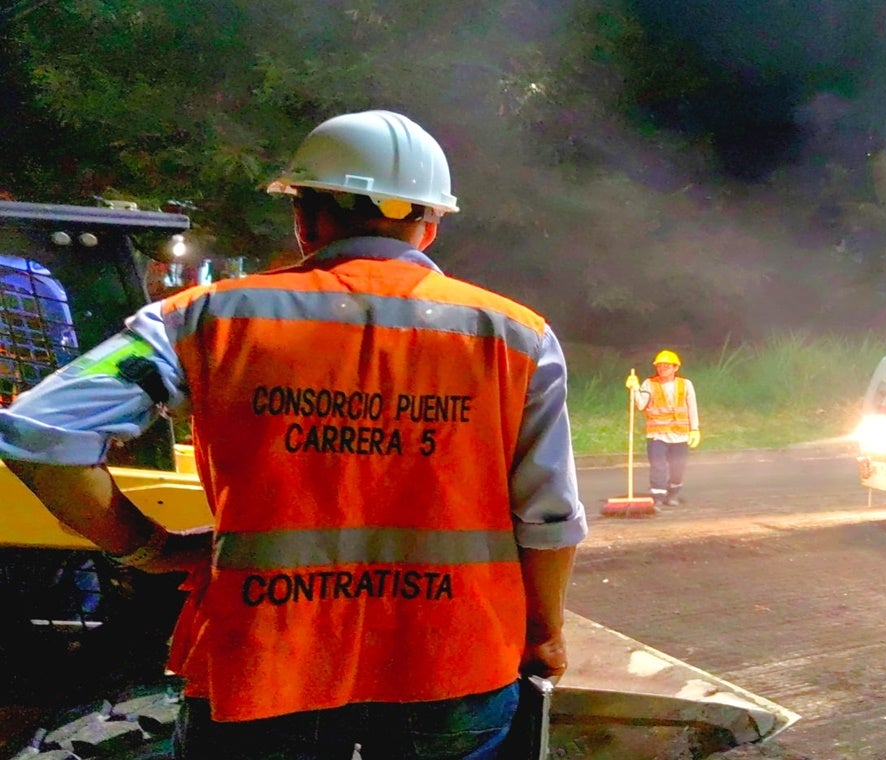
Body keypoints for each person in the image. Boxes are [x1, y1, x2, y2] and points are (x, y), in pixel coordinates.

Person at [0, 109, 587, 759]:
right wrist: (544, 632)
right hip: (455, 664)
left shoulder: (205, 318)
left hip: (267, 664)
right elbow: (550, 516)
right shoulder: (518, 336)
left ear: (304, 216)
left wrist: (145, 546)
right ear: (432, 222)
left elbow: (37, 429)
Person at [626, 349, 700, 508]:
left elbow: (692, 407)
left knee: (678, 467)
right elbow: (641, 405)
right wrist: (635, 389)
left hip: (680, 434)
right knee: (658, 466)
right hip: (657, 434)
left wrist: (695, 429)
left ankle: (673, 494)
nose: (662, 369)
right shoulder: (649, 383)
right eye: (659, 366)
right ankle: (658, 497)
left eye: (666, 366)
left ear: (675, 368)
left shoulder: (685, 384)